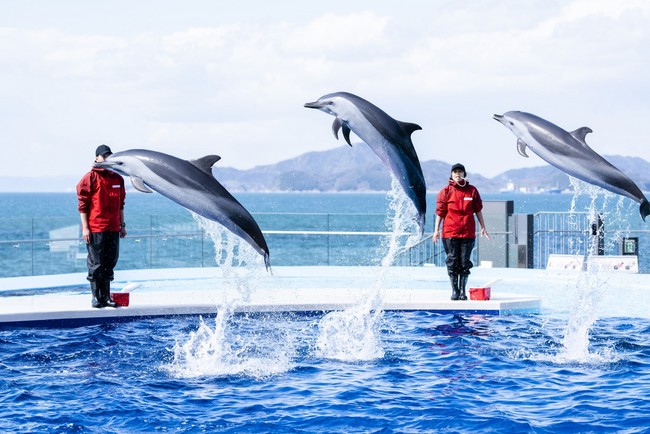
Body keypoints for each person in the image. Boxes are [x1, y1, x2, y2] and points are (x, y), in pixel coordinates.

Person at [76, 145, 127, 308]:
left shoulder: (118, 178)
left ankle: (106, 297)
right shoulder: (89, 178)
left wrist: (122, 225)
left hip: (113, 228)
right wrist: (85, 228)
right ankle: (96, 297)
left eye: (109, 156)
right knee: (96, 264)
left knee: (110, 262)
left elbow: (121, 204)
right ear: (97, 158)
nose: (107, 159)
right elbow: (82, 205)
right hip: (96, 227)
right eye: (104, 156)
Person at [433, 163, 490, 300]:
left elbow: (478, 210)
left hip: (467, 233)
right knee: (453, 261)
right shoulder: (445, 192)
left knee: (465, 262)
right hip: (450, 233)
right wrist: (436, 230)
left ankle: (463, 291)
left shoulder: (472, 191)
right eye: (455, 172)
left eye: (460, 172)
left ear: (464, 174)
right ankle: (455, 290)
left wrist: (483, 227)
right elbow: (440, 213)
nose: (457, 174)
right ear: (451, 175)